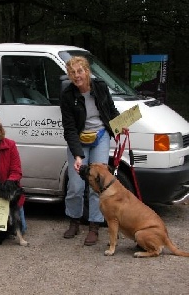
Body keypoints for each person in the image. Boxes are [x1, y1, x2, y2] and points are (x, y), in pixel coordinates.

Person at [60, 56, 120, 246]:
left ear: (87, 71)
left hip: (100, 137)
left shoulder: (100, 87)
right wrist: (78, 155)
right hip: (78, 140)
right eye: (72, 73)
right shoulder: (67, 95)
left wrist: (120, 126)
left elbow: (110, 110)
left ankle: (94, 225)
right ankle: (74, 220)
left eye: (79, 71)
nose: (76, 76)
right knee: (76, 186)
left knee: (97, 185)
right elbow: (69, 129)